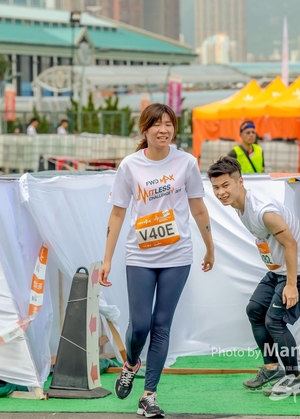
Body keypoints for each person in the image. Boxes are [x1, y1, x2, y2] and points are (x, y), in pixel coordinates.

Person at [100, 103, 214, 417]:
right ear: (145, 129)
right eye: (157, 124)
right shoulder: (130, 165)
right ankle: (131, 363)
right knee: (140, 326)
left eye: (169, 124)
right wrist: (107, 259)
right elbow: (117, 213)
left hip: (177, 256)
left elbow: (198, 208)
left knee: (162, 325)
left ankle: (148, 395)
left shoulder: (186, 163)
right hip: (140, 256)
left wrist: (210, 247)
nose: (163, 130)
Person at [207, 156, 300, 397]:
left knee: (275, 321)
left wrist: (291, 285)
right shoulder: (239, 205)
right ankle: (272, 368)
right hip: (278, 270)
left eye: (225, 185)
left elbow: (290, 244)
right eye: (216, 187)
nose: (220, 193)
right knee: (254, 310)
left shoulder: (263, 211)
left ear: (240, 182)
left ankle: (294, 378)